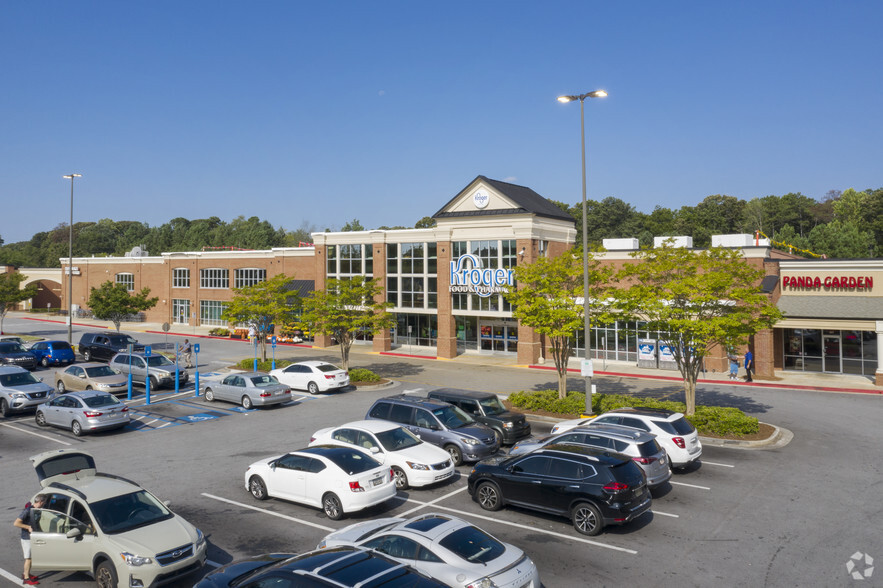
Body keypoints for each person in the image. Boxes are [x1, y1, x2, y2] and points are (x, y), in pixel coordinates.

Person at [14, 493, 47, 586]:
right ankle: (26, 578)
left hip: (32, 537)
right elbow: (16, 523)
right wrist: (28, 527)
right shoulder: (28, 511)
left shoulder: (36, 510)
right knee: (28, 558)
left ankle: (26, 574)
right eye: (44, 502)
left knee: (31, 558)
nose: (45, 504)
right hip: (26, 538)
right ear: (40, 502)